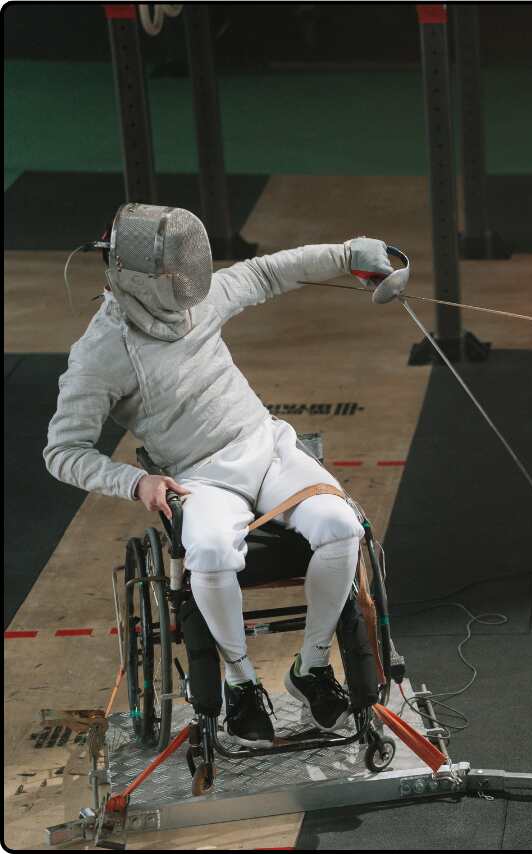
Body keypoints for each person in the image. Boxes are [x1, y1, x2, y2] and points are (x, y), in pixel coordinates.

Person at [45, 203, 395, 748]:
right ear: (140, 277)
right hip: (198, 479)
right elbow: (62, 450)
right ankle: (241, 682)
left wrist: (349, 254)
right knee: (206, 552)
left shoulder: (197, 297)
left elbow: (266, 272)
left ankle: (311, 666)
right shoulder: (100, 355)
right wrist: (137, 483)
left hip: (267, 446)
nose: (189, 287)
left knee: (341, 525)